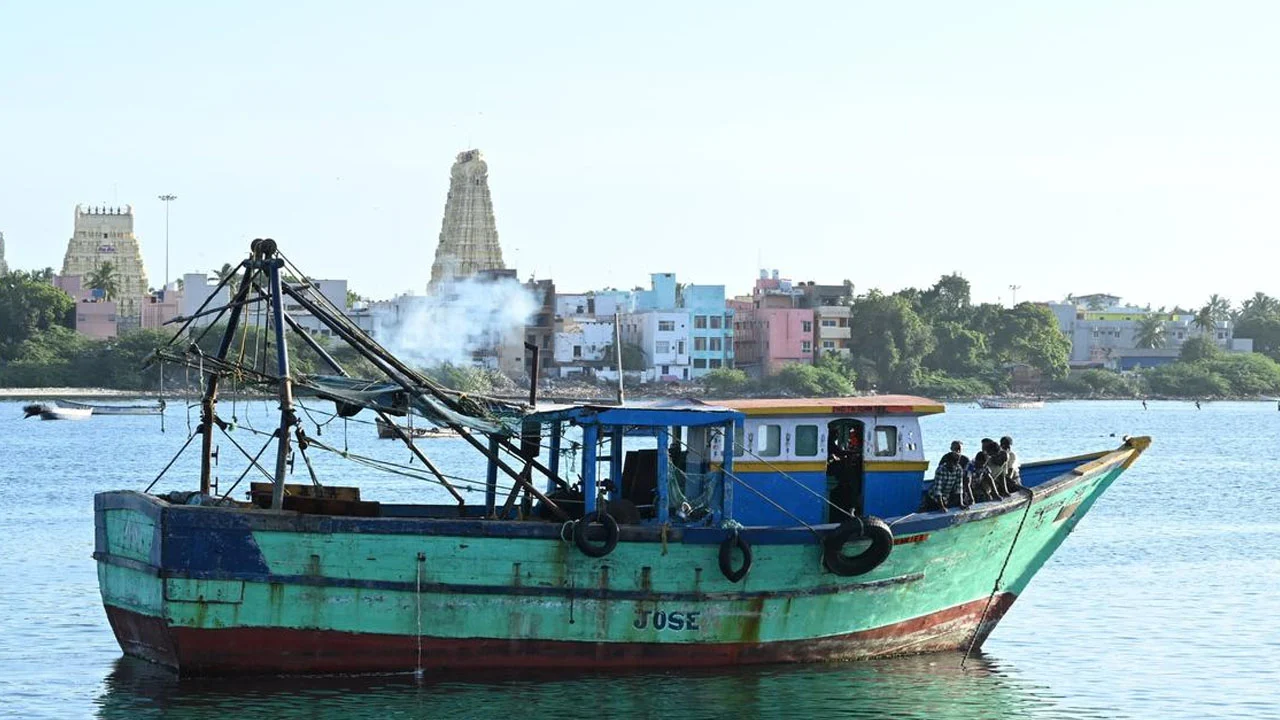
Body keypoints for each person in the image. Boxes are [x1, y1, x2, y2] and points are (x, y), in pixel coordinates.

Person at [923, 441, 969, 510]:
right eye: (950, 463)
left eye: (955, 463)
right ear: (947, 462)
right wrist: (942, 507)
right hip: (934, 498)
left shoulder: (959, 469)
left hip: (946, 496)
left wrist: (961, 503)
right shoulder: (940, 470)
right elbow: (937, 490)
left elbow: (959, 487)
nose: (952, 466)